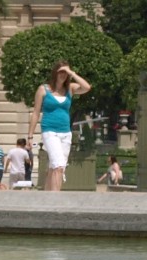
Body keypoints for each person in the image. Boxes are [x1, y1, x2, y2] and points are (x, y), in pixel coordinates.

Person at [30, 61, 90, 191]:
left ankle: (46, 200)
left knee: (57, 168)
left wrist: (72, 73)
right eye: (61, 72)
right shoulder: (43, 89)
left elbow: (86, 87)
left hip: (65, 132)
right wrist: (30, 136)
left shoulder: (70, 89)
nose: (63, 75)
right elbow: (35, 113)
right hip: (50, 131)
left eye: (65, 72)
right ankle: (56, 201)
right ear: (55, 73)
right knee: (58, 165)